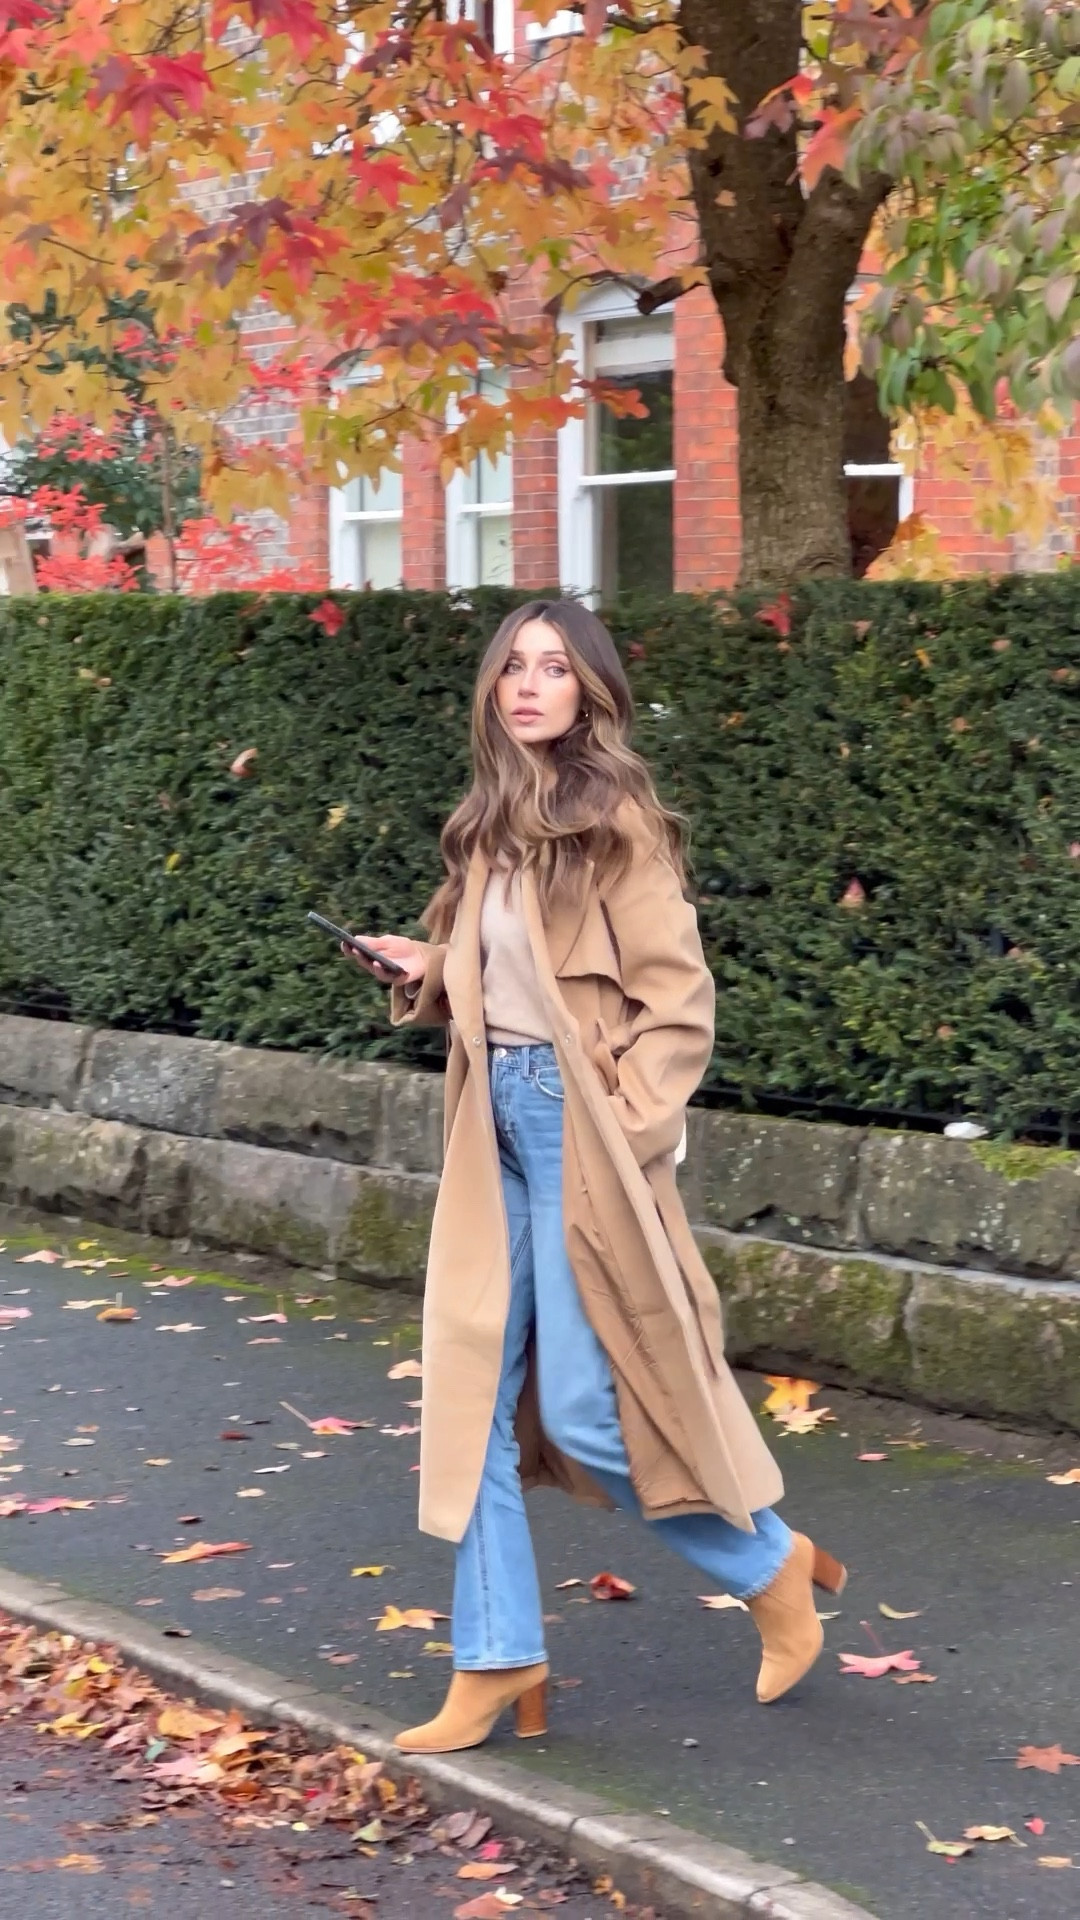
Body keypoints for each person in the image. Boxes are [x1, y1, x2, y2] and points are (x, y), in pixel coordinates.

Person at [345, 598, 845, 1756]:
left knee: (582, 1407)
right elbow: (503, 986)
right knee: (467, 1400)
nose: (527, 685)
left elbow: (678, 1005)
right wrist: (425, 966)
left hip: (584, 1135)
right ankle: (497, 1656)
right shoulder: (486, 828)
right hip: (494, 1130)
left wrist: (619, 1131)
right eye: (512, 666)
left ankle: (770, 1570)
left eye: (553, 669)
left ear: (589, 694)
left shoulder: (615, 824)